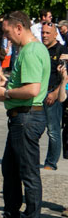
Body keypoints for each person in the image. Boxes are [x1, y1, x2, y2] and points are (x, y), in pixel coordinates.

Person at [0, 11, 50, 218]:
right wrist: (8, 84)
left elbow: (33, 90)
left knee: (28, 172)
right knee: (11, 169)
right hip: (20, 117)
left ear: (18, 28)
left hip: (27, 117)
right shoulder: (28, 50)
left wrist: (7, 93)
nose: (6, 37)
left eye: (6, 32)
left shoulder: (32, 51)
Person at [40, 22, 68, 170]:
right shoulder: (40, 49)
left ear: (55, 34)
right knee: (34, 128)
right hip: (38, 94)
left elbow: (66, 76)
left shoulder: (62, 50)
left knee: (53, 130)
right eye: (43, 32)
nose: (44, 35)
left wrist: (55, 93)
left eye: (47, 33)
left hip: (53, 93)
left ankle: (51, 162)